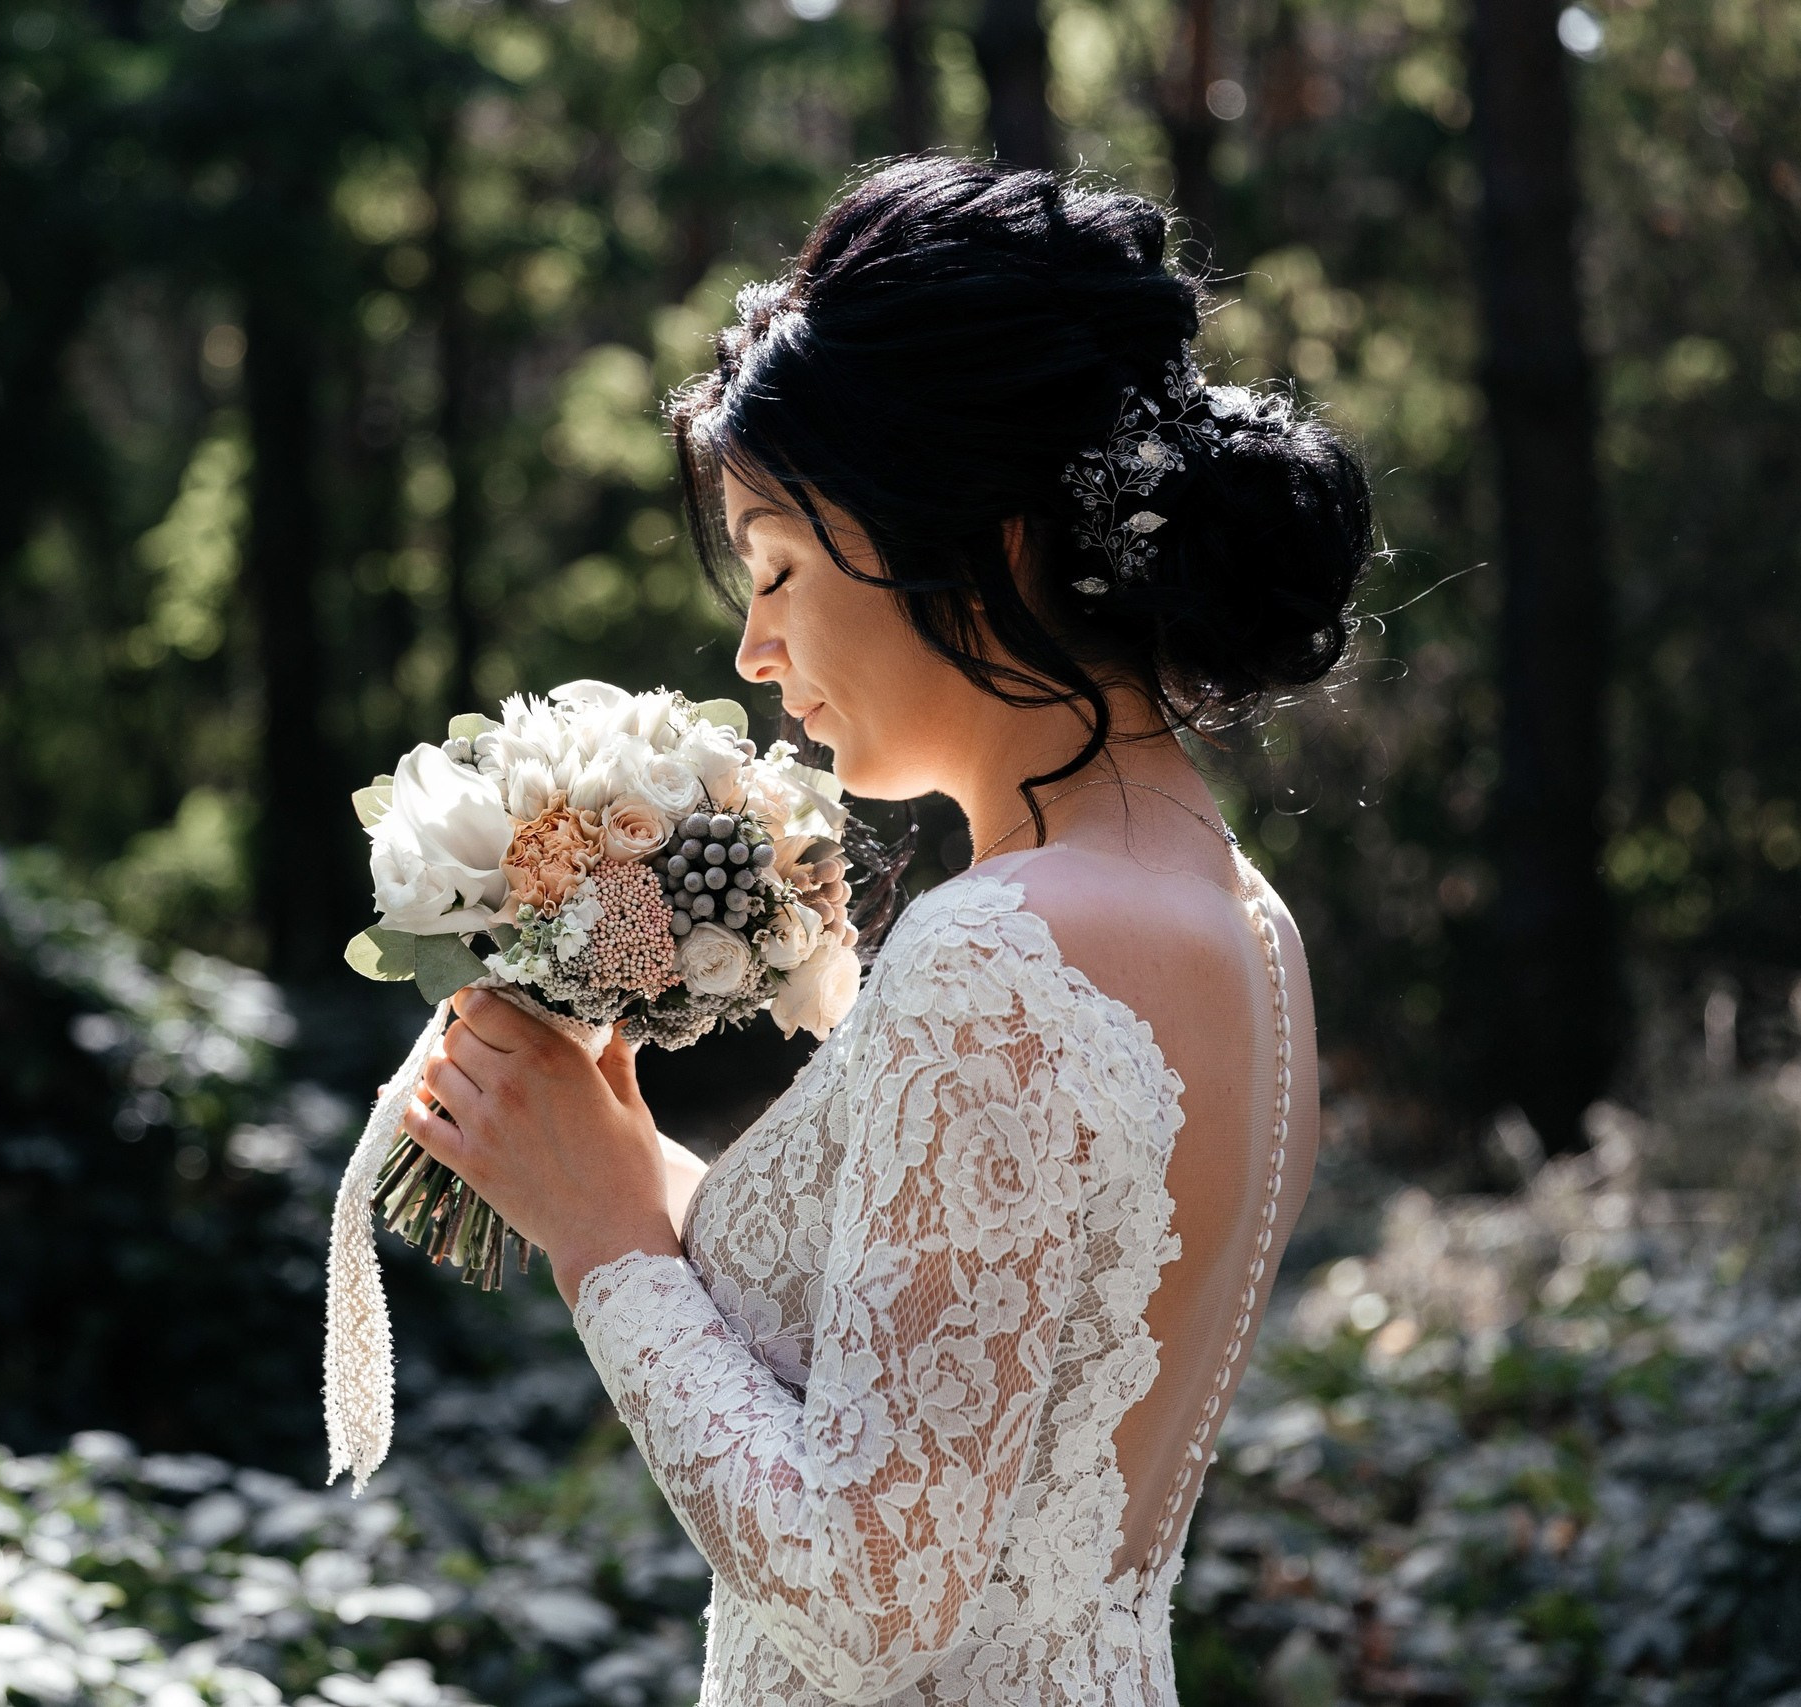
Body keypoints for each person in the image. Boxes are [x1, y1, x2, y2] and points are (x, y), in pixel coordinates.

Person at [398, 156, 1372, 1705]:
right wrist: (611, 1156)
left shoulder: (1001, 952)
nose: (754, 644)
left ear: (974, 538)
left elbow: (877, 1591)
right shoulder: (1242, 922)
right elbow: (952, 1389)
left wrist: (603, 1253)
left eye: (778, 564)